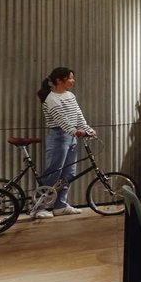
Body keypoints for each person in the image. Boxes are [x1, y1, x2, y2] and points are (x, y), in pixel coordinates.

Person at [37, 67, 94, 218]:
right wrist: (75, 131)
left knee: (69, 173)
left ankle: (60, 205)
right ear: (59, 80)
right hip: (59, 137)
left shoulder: (70, 95)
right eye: (70, 78)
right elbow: (61, 120)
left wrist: (87, 128)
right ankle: (39, 208)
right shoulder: (51, 99)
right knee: (54, 172)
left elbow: (78, 115)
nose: (73, 81)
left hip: (72, 136)